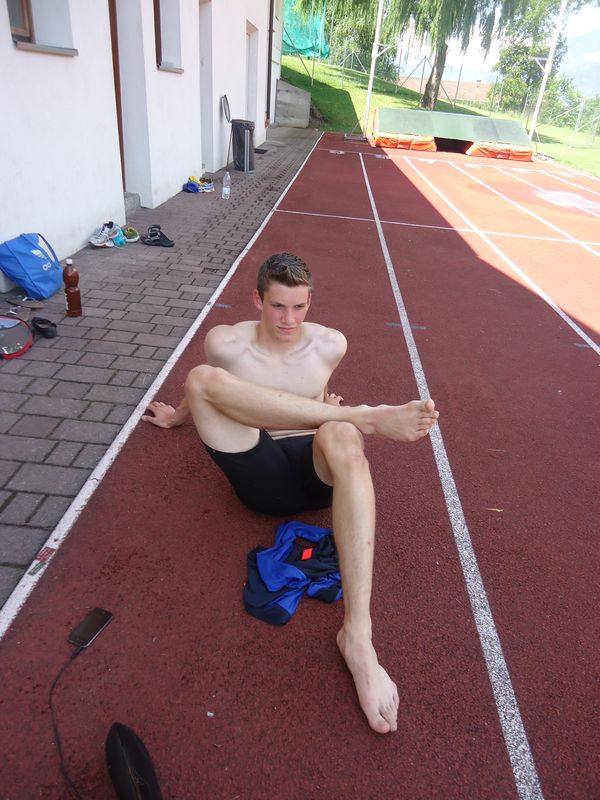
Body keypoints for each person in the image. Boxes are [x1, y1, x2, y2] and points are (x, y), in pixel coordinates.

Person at [142, 252, 438, 734]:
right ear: (257, 299)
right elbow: (209, 394)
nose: (289, 319)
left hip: (316, 473)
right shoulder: (226, 343)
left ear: (310, 302)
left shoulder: (330, 344)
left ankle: (358, 637)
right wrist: (176, 417)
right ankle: (366, 417)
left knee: (343, 435)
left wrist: (329, 408)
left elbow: (315, 391)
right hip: (258, 469)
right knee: (200, 379)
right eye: (278, 306)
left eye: (299, 307)